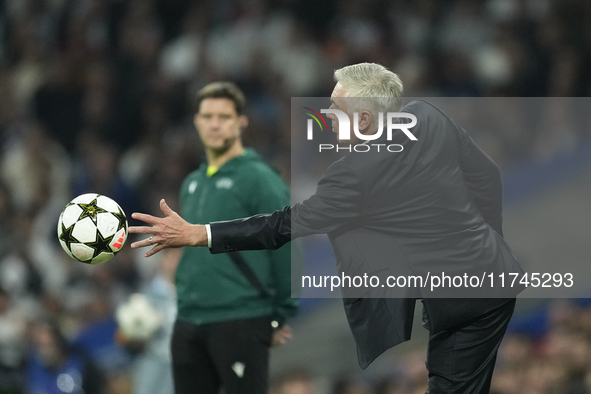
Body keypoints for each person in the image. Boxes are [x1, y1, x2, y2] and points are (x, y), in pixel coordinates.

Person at [129, 63, 524, 393]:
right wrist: (489, 244)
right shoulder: (427, 116)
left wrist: (201, 233)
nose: (326, 116)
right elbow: (488, 177)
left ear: (364, 119)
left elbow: (282, 225)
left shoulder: (353, 174)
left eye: (335, 108)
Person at [140, 82, 299, 394]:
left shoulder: (259, 178)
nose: (214, 124)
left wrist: (280, 313)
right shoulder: (192, 183)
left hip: (240, 315)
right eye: (207, 116)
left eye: (224, 116)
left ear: (241, 122)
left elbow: (288, 241)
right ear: (196, 123)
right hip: (188, 317)